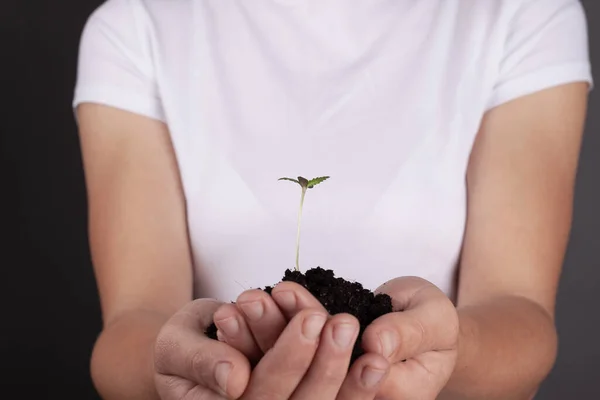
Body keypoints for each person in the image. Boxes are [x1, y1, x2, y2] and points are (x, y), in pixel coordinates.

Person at [72, 0, 593, 398]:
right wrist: (184, 363)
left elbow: (521, 315)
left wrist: (446, 349)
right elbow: (129, 326)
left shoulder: (522, 13)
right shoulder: (138, 25)